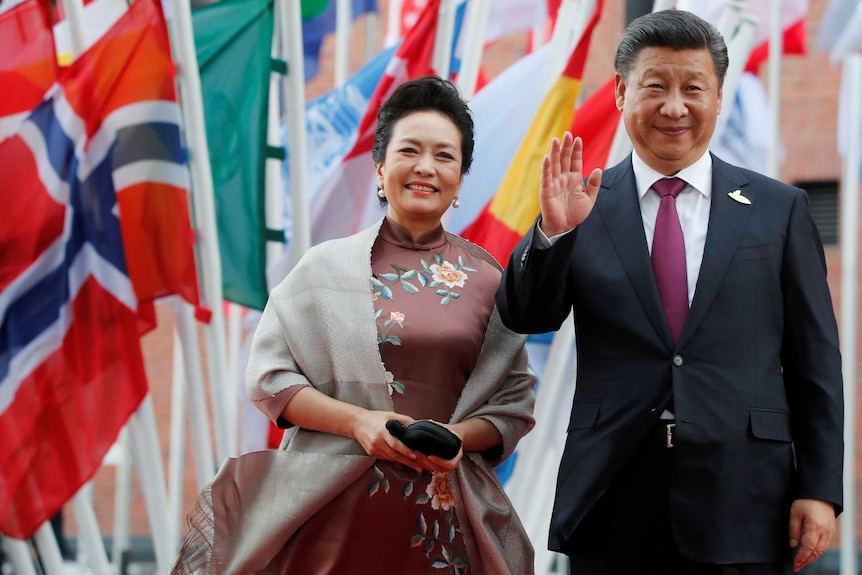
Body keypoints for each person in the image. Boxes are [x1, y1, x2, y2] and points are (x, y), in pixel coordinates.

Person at [495, 9, 843, 575]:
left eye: (693, 88)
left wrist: (821, 488)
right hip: (612, 496)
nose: (675, 107)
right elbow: (526, 315)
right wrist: (554, 232)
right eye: (655, 86)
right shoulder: (584, 202)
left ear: (719, 97)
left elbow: (815, 363)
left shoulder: (778, 210)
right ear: (620, 91)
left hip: (746, 497)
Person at [172, 75, 537, 575]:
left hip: (440, 529)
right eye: (410, 150)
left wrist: (456, 439)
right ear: (381, 167)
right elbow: (270, 379)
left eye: (445, 156)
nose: (426, 167)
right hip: (327, 519)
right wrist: (359, 423)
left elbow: (513, 402)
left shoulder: (489, 280)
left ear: (460, 178)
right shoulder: (324, 269)